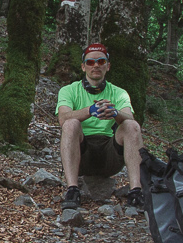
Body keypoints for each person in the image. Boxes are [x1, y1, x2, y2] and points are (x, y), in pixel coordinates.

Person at [56, 42, 145, 211]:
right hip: (82, 153)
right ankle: (72, 190)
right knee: (71, 124)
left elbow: (131, 119)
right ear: (83, 67)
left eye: (101, 61)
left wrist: (115, 113)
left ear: (108, 66)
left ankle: (136, 191)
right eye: (90, 62)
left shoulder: (119, 93)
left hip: (109, 154)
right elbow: (63, 118)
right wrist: (90, 110)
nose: (95, 65)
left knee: (131, 126)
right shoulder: (68, 90)